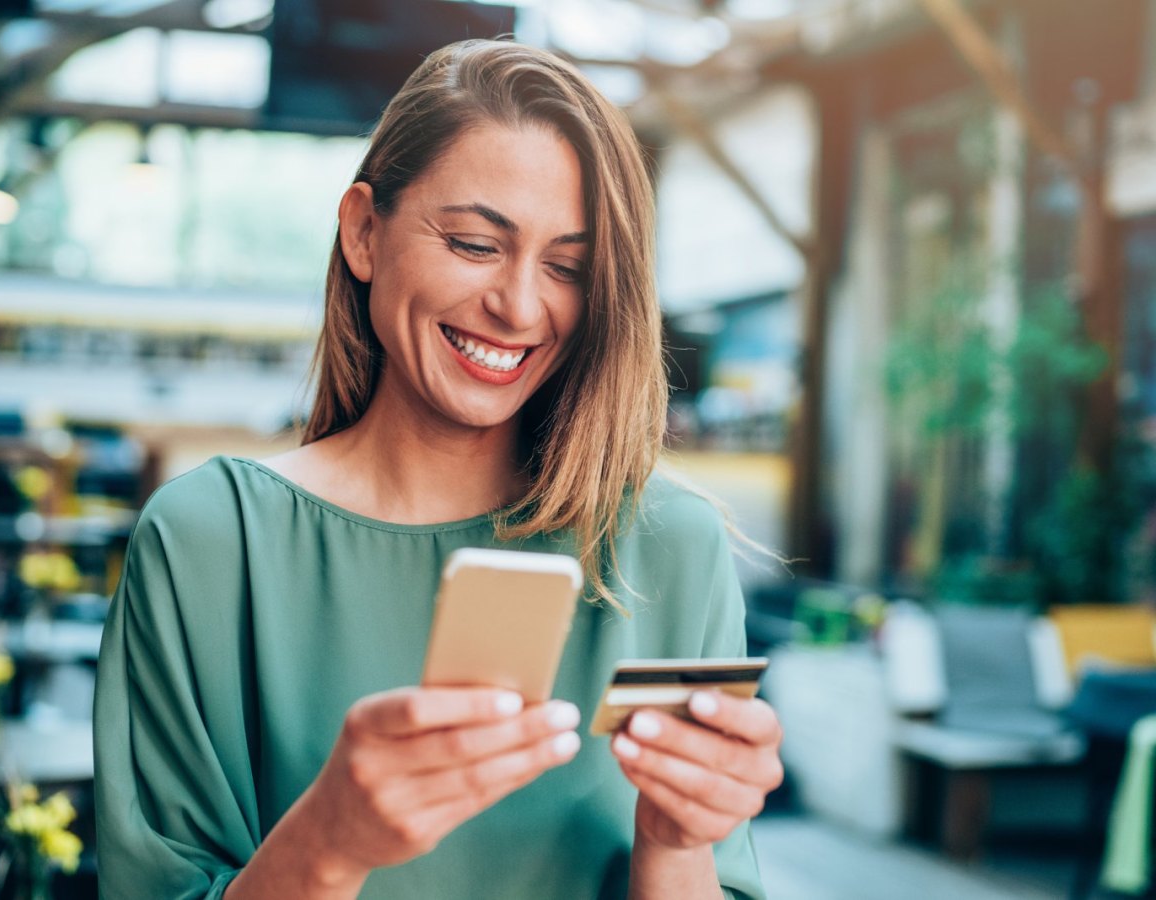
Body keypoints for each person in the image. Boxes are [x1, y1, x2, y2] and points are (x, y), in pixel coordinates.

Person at [93, 39, 783, 900]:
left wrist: (679, 845)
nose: (520, 306)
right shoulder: (208, 542)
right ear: (363, 232)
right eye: (473, 243)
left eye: (567, 267)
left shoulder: (666, 547)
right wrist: (328, 843)